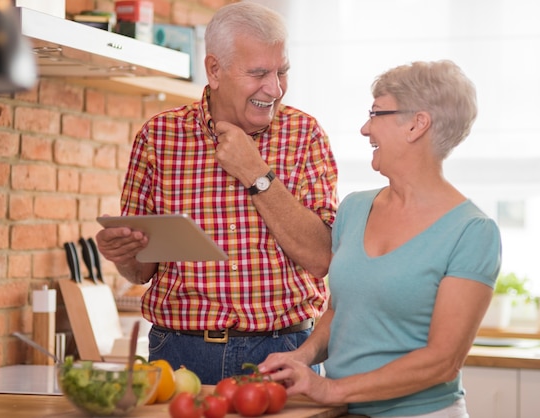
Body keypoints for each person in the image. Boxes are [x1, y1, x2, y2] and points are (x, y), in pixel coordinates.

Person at [95, 2, 338, 384]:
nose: (274, 88)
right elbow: (140, 271)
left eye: (282, 71)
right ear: (214, 70)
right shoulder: (159, 137)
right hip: (178, 353)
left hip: (285, 351)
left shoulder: (305, 135)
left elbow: (322, 257)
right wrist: (122, 255)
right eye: (259, 73)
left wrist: (256, 173)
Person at [259, 60, 502, 417]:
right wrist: (301, 356)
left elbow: (442, 362)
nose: (364, 128)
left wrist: (331, 388)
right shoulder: (355, 209)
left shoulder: (472, 232)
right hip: (343, 412)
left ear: (417, 124)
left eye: (376, 113)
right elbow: (340, 312)